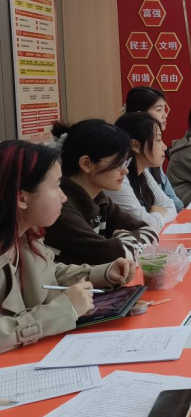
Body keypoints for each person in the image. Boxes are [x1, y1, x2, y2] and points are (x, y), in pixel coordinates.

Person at [0, 140, 137, 354]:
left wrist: (102, 273)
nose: (64, 197)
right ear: (22, 198)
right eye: (56, 187)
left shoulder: (26, 235)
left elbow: (49, 273)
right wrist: (61, 311)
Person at [44, 120, 158, 266]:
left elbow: (150, 233)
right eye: (118, 163)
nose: (125, 171)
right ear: (86, 164)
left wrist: (120, 242)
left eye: (126, 162)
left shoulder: (99, 199)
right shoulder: (61, 208)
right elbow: (110, 256)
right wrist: (123, 239)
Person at [104, 113, 177, 232]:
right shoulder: (118, 178)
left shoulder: (143, 173)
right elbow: (147, 225)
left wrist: (154, 217)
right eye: (158, 140)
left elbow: (170, 206)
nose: (164, 147)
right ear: (135, 145)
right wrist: (157, 214)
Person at [124, 86, 184, 212]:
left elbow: (172, 203)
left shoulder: (151, 155)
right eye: (159, 109)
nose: (165, 115)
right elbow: (142, 218)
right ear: (140, 114)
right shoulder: (125, 166)